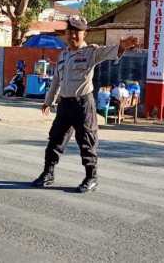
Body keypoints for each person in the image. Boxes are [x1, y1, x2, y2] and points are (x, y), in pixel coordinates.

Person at [32, 15, 139, 193]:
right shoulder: (63, 55)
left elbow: (109, 52)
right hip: (65, 105)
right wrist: (48, 101)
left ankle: (91, 178)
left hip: (83, 104)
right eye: (70, 32)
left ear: (84, 34)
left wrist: (121, 47)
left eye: (77, 32)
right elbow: (57, 81)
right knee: (54, 140)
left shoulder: (90, 52)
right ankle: (48, 174)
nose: (73, 36)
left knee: (87, 141)